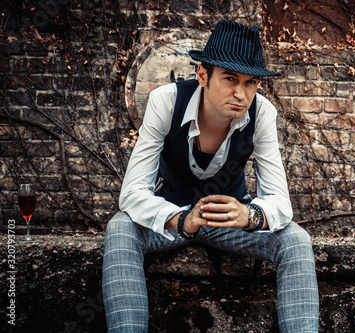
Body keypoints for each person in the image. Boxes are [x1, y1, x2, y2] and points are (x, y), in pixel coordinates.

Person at [102, 20, 319, 332]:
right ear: (203, 75)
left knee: (296, 239)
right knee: (120, 226)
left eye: (251, 83)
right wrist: (181, 220)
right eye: (230, 79)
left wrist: (250, 215)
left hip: (228, 222)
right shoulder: (167, 101)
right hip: (172, 218)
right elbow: (133, 193)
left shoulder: (262, 113)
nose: (241, 94)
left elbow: (280, 203)